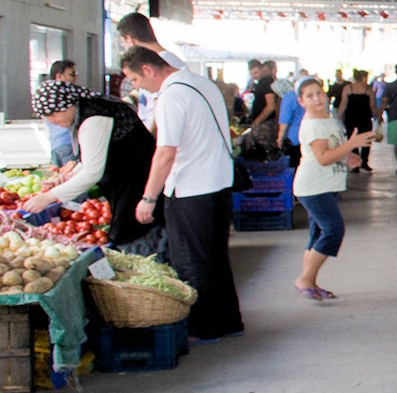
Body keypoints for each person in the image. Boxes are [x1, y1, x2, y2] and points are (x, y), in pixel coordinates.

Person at [122, 46, 243, 342]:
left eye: (134, 79)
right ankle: (229, 321)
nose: (136, 86)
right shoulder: (201, 83)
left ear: (148, 70)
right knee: (215, 256)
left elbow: (165, 153)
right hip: (219, 182)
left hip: (191, 189)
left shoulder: (172, 96)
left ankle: (204, 327)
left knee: (191, 260)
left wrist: (149, 198)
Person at [27, 80, 163, 250]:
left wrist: (48, 197)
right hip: (132, 180)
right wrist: (65, 178)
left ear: (67, 105)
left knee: (133, 234)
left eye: (52, 115)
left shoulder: (93, 120)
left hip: (137, 183)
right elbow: (92, 158)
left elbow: (92, 172)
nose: (52, 121)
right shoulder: (88, 111)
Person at [293, 78, 374, 301]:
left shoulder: (326, 118)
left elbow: (332, 149)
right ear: (301, 101)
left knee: (318, 232)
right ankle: (305, 279)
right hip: (313, 187)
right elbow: (323, 158)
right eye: (309, 96)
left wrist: (347, 155)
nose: (317, 98)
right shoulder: (312, 125)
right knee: (333, 229)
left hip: (326, 185)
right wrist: (351, 144)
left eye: (319, 93)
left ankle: (309, 280)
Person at [116, 12, 187, 132]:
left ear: (130, 40)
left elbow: (161, 109)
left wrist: (151, 139)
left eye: (123, 43)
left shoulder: (166, 63)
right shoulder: (163, 60)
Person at [340, 70, 379, 173]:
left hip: (350, 118)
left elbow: (343, 103)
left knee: (352, 141)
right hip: (364, 118)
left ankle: (355, 164)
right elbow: (372, 105)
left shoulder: (348, 88)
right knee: (367, 140)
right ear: (363, 78)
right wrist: (378, 116)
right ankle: (364, 162)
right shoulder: (368, 89)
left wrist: (339, 116)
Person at [44, 60, 80, 167]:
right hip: (69, 144)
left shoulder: (45, 96)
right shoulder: (67, 95)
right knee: (72, 180)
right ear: (59, 76)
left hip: (55, 145)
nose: (75, 77)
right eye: (72, 74)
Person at [245, 59, 279, 155]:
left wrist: (257, 121)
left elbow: (271, 106)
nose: (254, 76)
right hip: (264, 123)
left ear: (262, 69)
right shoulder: (260, 83)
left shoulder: (266, 83)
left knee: (264, 152)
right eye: (252, 74)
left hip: (266, 124)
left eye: (256, 72)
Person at [276, 75, 307, 169]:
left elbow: (284, 119)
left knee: (296, 167)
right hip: (310, 135)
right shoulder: (306, 95)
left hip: (294, 138)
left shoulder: (289, 97)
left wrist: (280, 137)